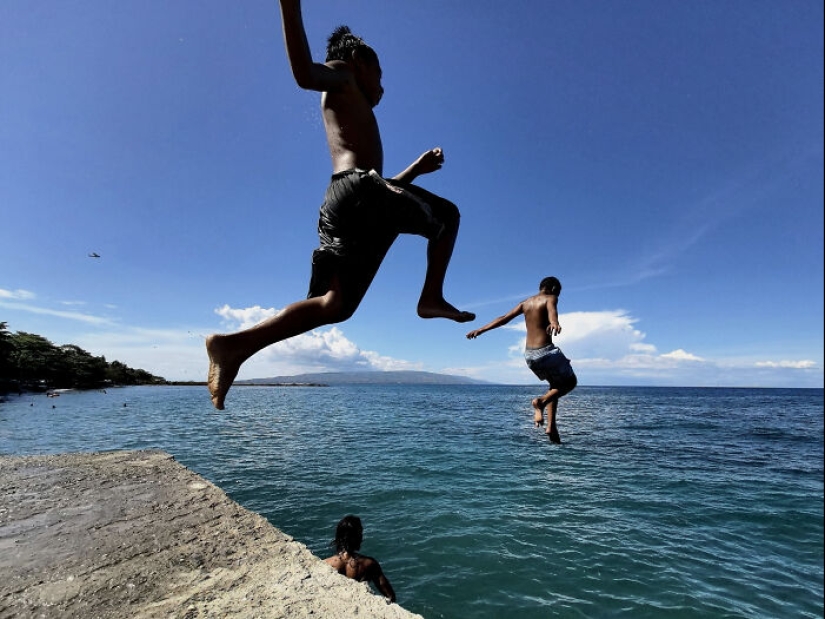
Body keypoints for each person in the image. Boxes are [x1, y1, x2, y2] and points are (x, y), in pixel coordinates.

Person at [206, 0, 474, 409]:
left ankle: (233, 346)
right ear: (359, 60)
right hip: (358, 190)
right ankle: (431, 296)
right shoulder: (344, 76)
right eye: (380, 74)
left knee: (336, 306)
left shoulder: (352, 101)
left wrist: (415, 171)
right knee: (447, 215)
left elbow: (381, 195)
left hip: (351, 200)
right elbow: (303, 73)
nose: (383, 86)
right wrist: (289, 6)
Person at [466, 277, 577, 443]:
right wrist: (554, 322)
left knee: (555, 386)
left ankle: (551, 427)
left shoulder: (525, 303)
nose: (558, 296)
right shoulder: (550, 298)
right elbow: (552, 311)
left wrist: (481, 330)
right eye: (558, 292)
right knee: (570, 382)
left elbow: (503, 318)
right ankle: (540, 402)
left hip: (530, 356)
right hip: (545, 352)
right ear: (552, 288)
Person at [324, 515, 396, 603]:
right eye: (360, 534)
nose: (362, 538)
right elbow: (391, 596)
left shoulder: (327, 564)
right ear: (355, 537)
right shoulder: (369, 564)